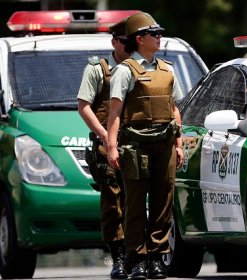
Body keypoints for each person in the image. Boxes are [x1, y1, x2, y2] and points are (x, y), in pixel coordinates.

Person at [107, 12, 184, 280]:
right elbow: (114, 113)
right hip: (136, 146)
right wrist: (113, 147)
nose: (160, 38)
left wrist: (179, 143)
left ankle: (155, 257)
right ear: (140, 40)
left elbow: (174, 108)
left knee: (163, 202)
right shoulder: (124, 71)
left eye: (160, 33)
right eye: (155, 34)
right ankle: (137, 257)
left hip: (164, 145)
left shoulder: (168, 69)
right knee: (136, 203)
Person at [77, 17, 131, 280]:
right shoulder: (99, 69)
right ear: (114, 42)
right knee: (113, 202)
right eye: (125, 41)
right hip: (106, 145)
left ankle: (141, 254)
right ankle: (119, 255)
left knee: (139, 201)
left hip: (139, 144)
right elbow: (84, 106)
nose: (130, 46)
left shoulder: (144, 68)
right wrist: (104, 136)